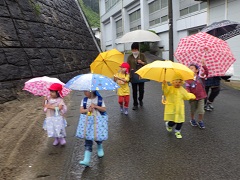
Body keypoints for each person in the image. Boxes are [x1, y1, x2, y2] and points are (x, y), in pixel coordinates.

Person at [163, 73, 196, 139]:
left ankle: (177, 131)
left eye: (179, 82)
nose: (177, 83)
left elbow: (186, 96)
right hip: (172, 107)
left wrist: (192, 95)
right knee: (173, 120)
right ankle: (169, 125)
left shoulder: (182, 89)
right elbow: (165, 92)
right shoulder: (170, 89)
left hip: (180, 108)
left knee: (180, 120)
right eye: (176, 82)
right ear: (172, 82)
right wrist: (164, 85)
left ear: (181, 83)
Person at [79, 91, 107, 166]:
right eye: (84, 91)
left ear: (92, 91)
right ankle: (86, 160)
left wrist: (96, 106)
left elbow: (104, 109)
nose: (84, 92)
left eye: (86, 91)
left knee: (97, 136)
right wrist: (87, 110)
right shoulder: (84, 100)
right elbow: (81, 110)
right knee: (88, 139)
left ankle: (100, 146)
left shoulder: (100, 99)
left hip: (98, 121)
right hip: (87, 122)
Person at [186, 60, 208, 129]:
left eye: (192, 68)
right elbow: (187, 87)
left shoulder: (201, 77)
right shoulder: (188, 79)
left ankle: (200, 120)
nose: (190, 69)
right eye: (189, 68)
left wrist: (204, 66)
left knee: (201, 110)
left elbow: (206, 73)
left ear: (197, 70)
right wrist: (188, 94)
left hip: (201, 97)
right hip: (193, 98)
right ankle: (192, 119)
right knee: (193, 110)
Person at [127, 42, 148, 110]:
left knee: (141, 90)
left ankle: (140, 99)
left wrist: (141, 62)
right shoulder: (130, 57)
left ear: (138, 49)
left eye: (136, 49)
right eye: (133, 50)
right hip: (133, 75)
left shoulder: (142, 55)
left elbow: (147, 64)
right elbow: (127, 66)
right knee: (134, 90)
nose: (134, 51)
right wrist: (129, 71)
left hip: (141, 75)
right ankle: (135, 104)